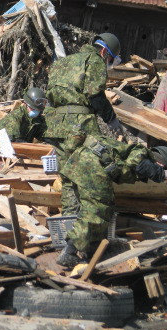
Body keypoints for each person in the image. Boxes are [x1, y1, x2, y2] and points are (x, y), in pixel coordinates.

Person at [44, 32, 123, 237]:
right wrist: (110, 118)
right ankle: (89, 233)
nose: (108, 63)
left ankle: (68, 232)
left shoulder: (63, 62)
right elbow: (95, 94)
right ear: (104, 52)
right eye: (110, 59)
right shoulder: (94, 60)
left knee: (68, 178)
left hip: (57, 126)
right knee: (92, 175)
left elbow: (50, 97)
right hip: (80, 125)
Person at [56, 138, 167, 267]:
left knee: (103, 210)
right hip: (91, 167)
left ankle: (92, 249)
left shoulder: (137, 156)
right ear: (161, 164)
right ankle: (69, 252)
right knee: (97, 211)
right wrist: (161, 173)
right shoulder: (141, 152)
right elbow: (138, 163)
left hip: (82, 164)